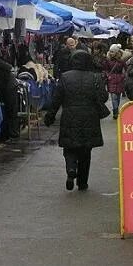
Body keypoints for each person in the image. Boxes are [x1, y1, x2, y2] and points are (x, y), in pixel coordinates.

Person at [44, 50, 108, 191]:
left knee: (70, 146)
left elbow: (56, 99)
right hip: (90, 117)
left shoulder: (65, 77)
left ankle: (71, 168)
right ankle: (82, 182)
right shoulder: (96, 78)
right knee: (86, 151)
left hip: (70, 116)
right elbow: (104, 97)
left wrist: (50, 116)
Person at [103, 44, 126, 119]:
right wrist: (108, 75)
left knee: (118, 96)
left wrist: (123, 76)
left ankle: (116, 109)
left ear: (116, 52)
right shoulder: (107, 60)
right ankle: (115, 111)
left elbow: (126, 69)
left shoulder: (121, 61)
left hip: (119, 80)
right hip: (111, 80)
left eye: (112, 51)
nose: (110, 53)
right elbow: (105, 69)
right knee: (113, 96)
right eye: (110, 51)